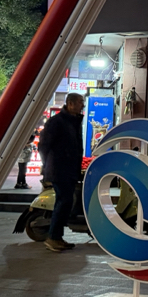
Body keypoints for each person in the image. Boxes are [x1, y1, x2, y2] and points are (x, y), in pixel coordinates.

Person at [38, 93, 85, 252]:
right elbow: (44, 146)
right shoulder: (57, 122)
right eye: (80, 102)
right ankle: (53, 238)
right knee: (63, 201)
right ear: (70, 104)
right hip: (59, 169)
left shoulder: (74, 121)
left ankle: (57, 237)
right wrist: (47, 165)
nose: (82, 105)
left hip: (70, 169)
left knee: (67, 202)